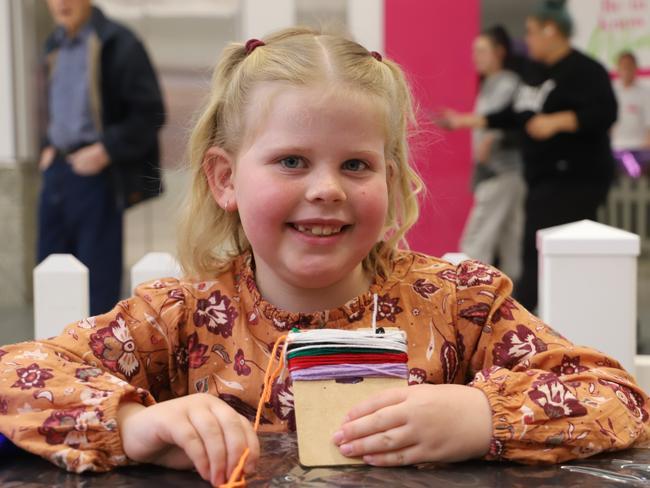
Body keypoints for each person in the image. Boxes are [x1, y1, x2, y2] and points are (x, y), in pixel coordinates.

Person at [0, 27, 647, 488]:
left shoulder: (461, 304)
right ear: (225, 178)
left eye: (357, 164)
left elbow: (619, 399)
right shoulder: (178, 318)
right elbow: (15, 378)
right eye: (291, 161)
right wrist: (134, 423)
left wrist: (482, 417)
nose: (327, 188)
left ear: (390, 180)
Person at [441, 0, 617, 312]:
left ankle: (541, 319)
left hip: (575, 179)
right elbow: (514, 116)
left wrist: (558, 121)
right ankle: (529, 317)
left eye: (532, 32)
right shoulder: (533, 72)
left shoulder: (585, 71)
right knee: (527, 250)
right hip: (539, 179)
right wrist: (467, 121)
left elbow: (604, 112)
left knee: (545, 251)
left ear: (552, 31)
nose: (527, 39)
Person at [38, 0, 165, 316]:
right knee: (49, 272)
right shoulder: (53, 43)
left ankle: (99, 359)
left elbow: (150, 113)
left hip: (97, 174)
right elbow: (57, 106)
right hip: (56, 171)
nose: (61, 3)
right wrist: (48, 146)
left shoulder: (118, 43)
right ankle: (53, 361)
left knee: (98, 284)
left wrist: (105, 150)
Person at [443, 26, 525, 281]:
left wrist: (489, 136)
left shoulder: (508, 82)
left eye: (481, 50)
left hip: (501, 171)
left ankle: (471, 301)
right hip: (499, 173)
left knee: (477, 241)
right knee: (509, 242)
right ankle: (513, 305)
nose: (475, 56)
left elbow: (506, 121)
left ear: (499, 52)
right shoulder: (490, 83)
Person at [611, 50, 650, 176]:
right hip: (615, 149)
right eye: (623, 66)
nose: (626, 70)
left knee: (636, 184)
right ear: (618, 68)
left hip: (638, 150)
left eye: (629, 66)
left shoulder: (645, 93)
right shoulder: (612, 92)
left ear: (635, 68)